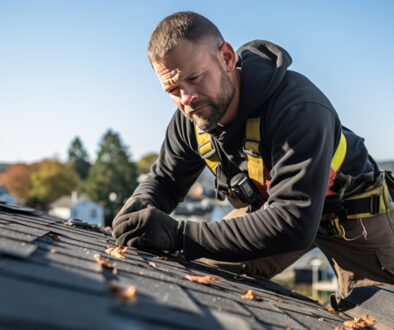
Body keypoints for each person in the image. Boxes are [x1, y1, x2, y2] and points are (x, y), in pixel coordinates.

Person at [112, 11, 394, 305]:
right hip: (272, 213)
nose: (186, 98)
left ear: (227, 58)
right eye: (172, 89)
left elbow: (294, 222)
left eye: (195, 78)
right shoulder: (191, 118)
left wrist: (181, 234)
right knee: (195, 274)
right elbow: (165, 180)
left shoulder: (298, 106)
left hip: (353, 218)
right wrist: (136, 211)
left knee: (377, 315)